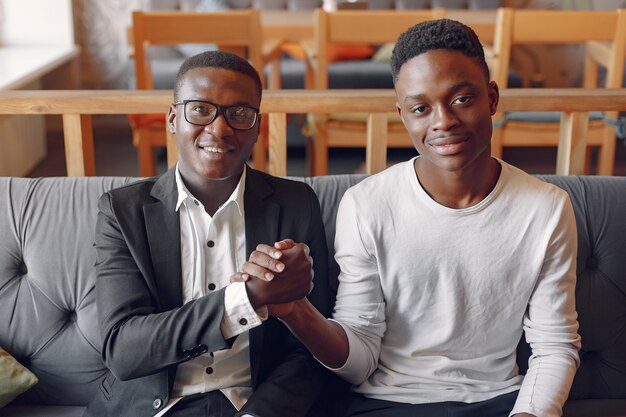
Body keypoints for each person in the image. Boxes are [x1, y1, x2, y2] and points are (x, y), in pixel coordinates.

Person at [236, 19, 581, 417]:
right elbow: (361, 357)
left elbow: (555, 344)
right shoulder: (366, 205)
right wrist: (297, 311)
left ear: (491, 99)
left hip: (497, 401)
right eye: (421, 108)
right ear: (403, 115)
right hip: (383, 404)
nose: (443, 121)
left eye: (462, 99)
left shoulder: (547, 208)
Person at [84, 50, 332, 417]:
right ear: (172, 119)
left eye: (239, 113)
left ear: (257, 126)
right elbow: (124, 349)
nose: (219, 128)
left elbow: (310, 349)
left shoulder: (297, 204)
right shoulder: (122, 212)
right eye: (200, 109)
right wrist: (246, 297)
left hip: (254, 404)